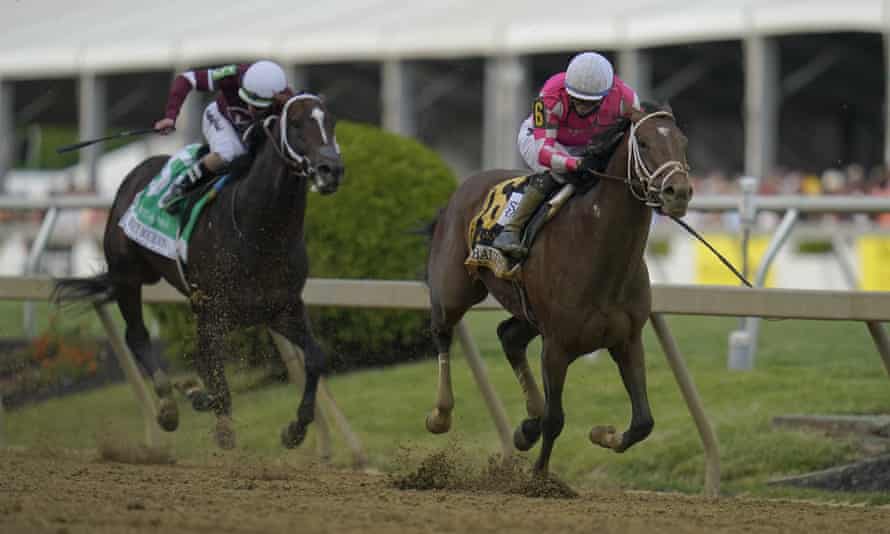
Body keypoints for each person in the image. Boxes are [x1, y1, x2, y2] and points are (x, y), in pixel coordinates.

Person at [493, 51, 641, 257]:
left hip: (589, 145)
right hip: (540, 140)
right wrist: (576, 164)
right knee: (560, 173)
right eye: (577, 100)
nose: (581, 107)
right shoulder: (549, 95)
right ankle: (510, 229)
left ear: (607, 95)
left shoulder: (627, 100)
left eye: (590, 102)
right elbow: (545, 152)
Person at [154, 60, 294, 210]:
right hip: (220, 117)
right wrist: (171, 116)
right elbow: (186, 79)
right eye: (247, 100)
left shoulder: (287, 99)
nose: (251, 109)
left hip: (249, 131)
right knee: (230, 153)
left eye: (259, 107)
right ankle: (180, 186)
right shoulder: (232, 75)